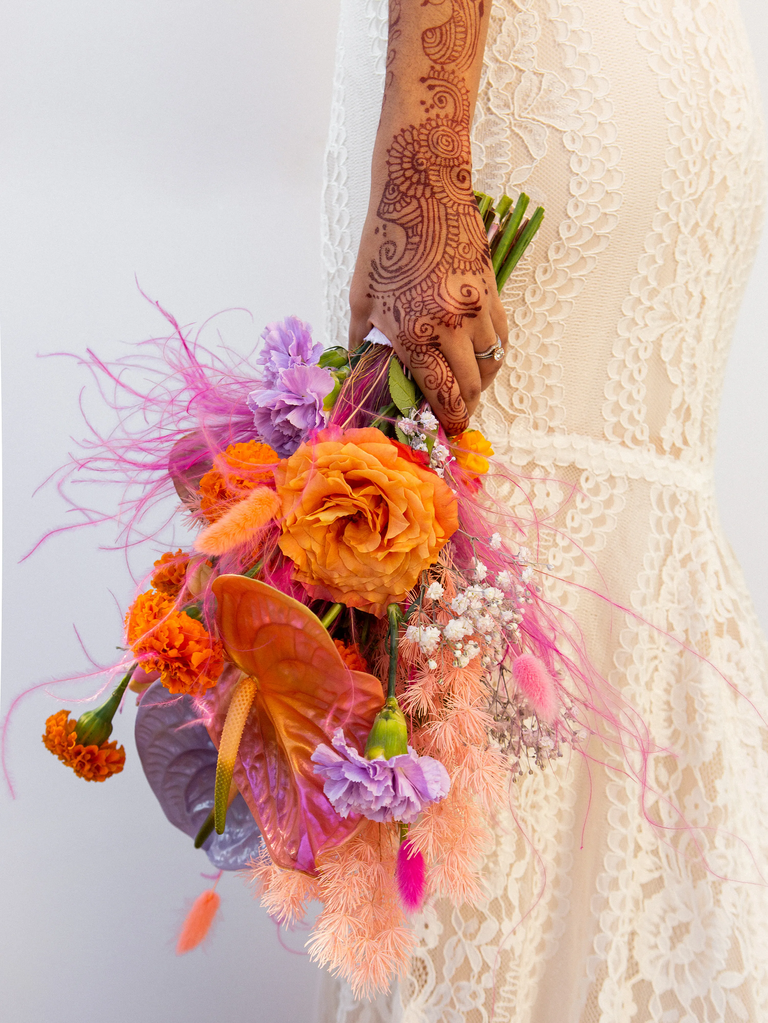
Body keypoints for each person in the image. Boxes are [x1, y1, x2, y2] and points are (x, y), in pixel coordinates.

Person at [319, 0, 768, 1020]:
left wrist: (427, 161)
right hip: (571, 79)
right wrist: (426, 159)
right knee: (511, 611)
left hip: (563, 89)